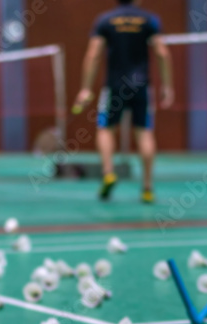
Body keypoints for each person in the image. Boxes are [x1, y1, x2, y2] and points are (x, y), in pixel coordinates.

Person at [74, 0, 174, 203]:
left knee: (105, 129)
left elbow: (93, 54)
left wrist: (85, 88)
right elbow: (162, 52)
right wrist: (167, 85)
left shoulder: (105, 20)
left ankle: (108, 172)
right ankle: (147, 187)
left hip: (114, 86)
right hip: (141, 86)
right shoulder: (149, 19)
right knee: (144, 132)